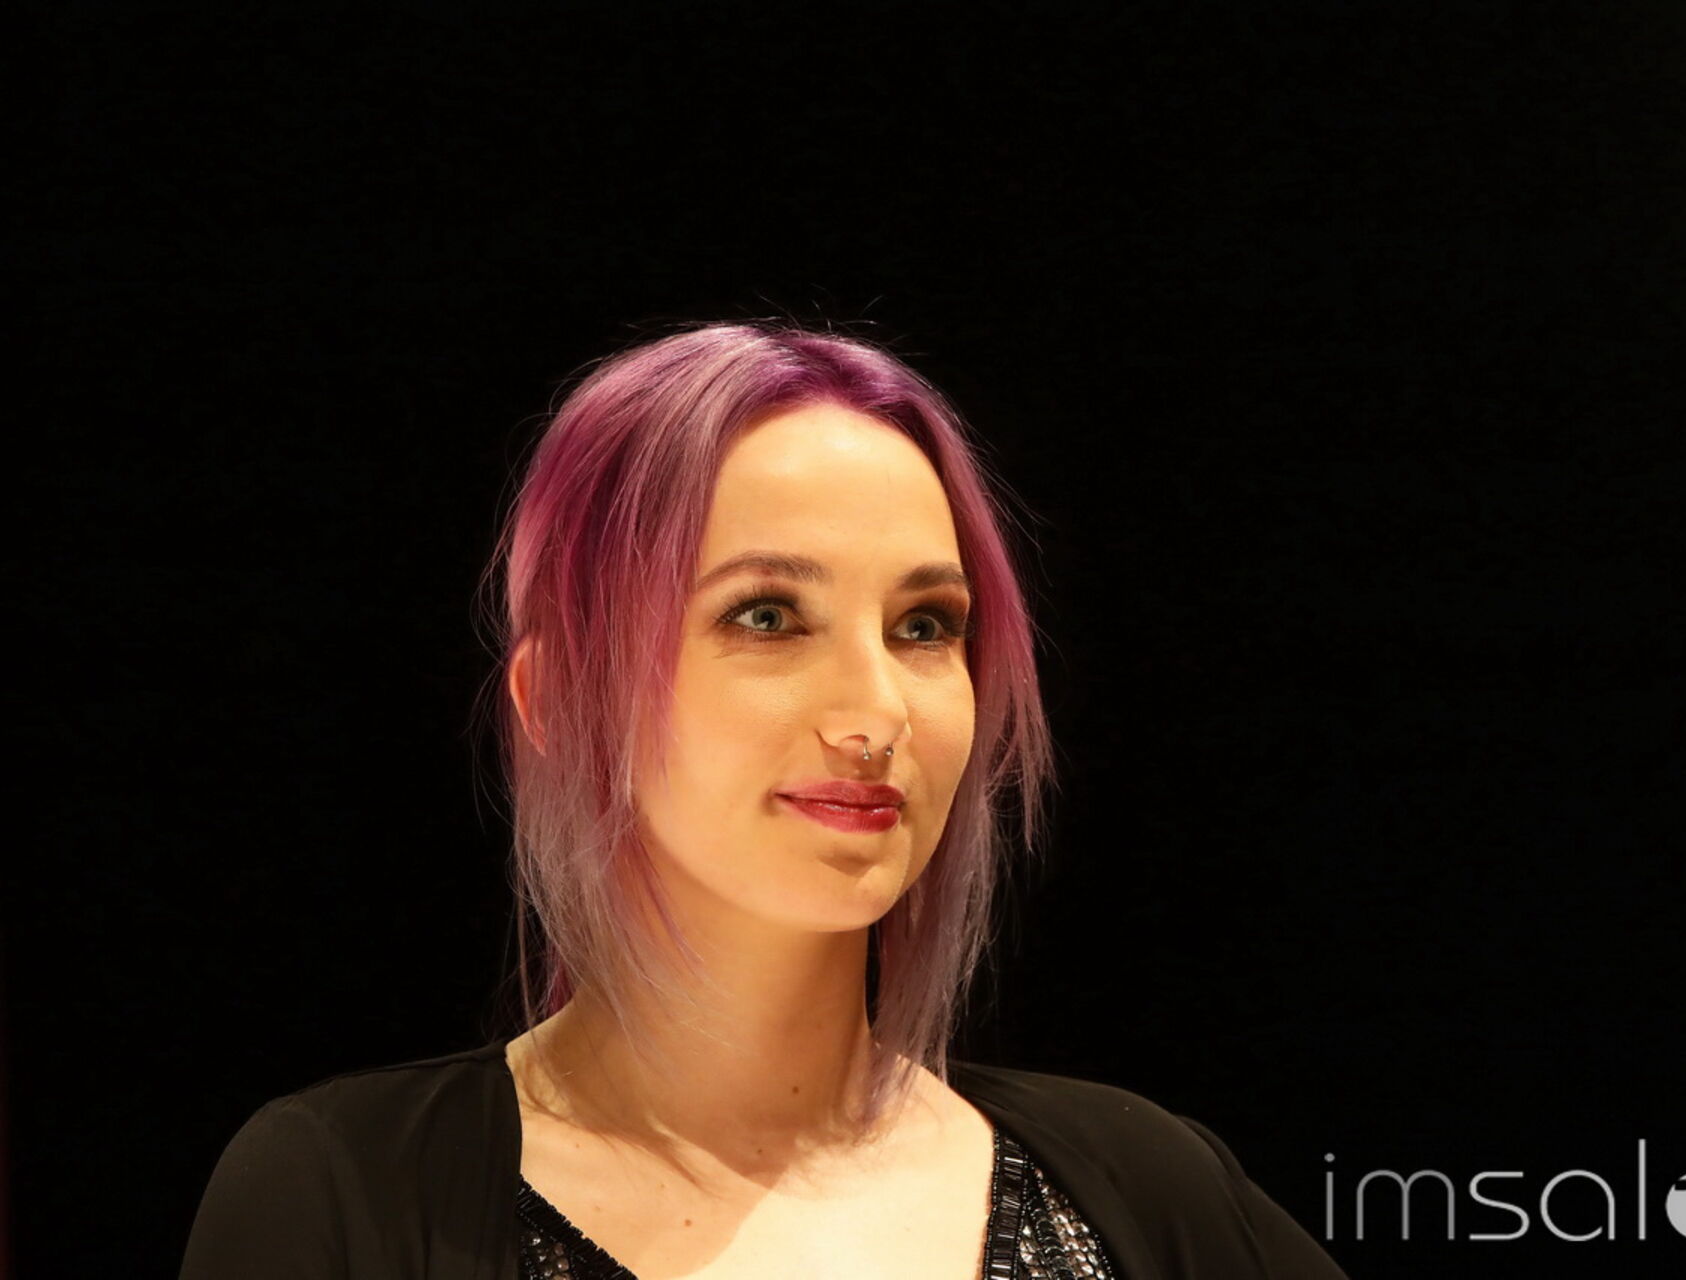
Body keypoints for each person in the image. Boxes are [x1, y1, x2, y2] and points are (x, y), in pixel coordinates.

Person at [179, 321, 1349, 1279]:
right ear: (559, 696)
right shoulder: (345, 1198)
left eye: (924, 625)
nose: (875, 711)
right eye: (769, 615)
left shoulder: (1145, 1189)